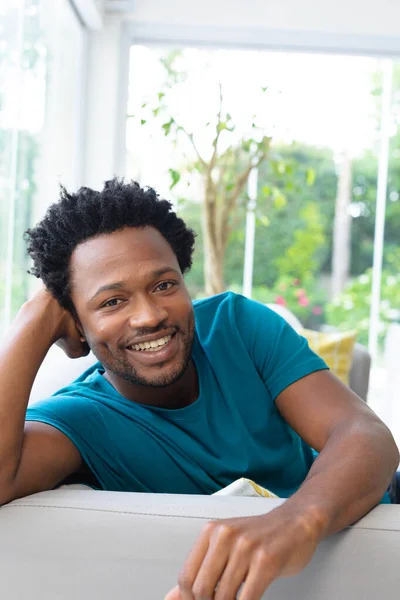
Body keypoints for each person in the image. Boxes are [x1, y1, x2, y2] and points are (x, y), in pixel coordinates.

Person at [0, 178, 398, 600]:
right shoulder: (79, 420)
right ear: (76, 325)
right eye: (112, 302)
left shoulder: (236, 326)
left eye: (164, 285)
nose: (149, 316)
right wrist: (33, 320)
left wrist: (294, 520)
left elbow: (364, 432)